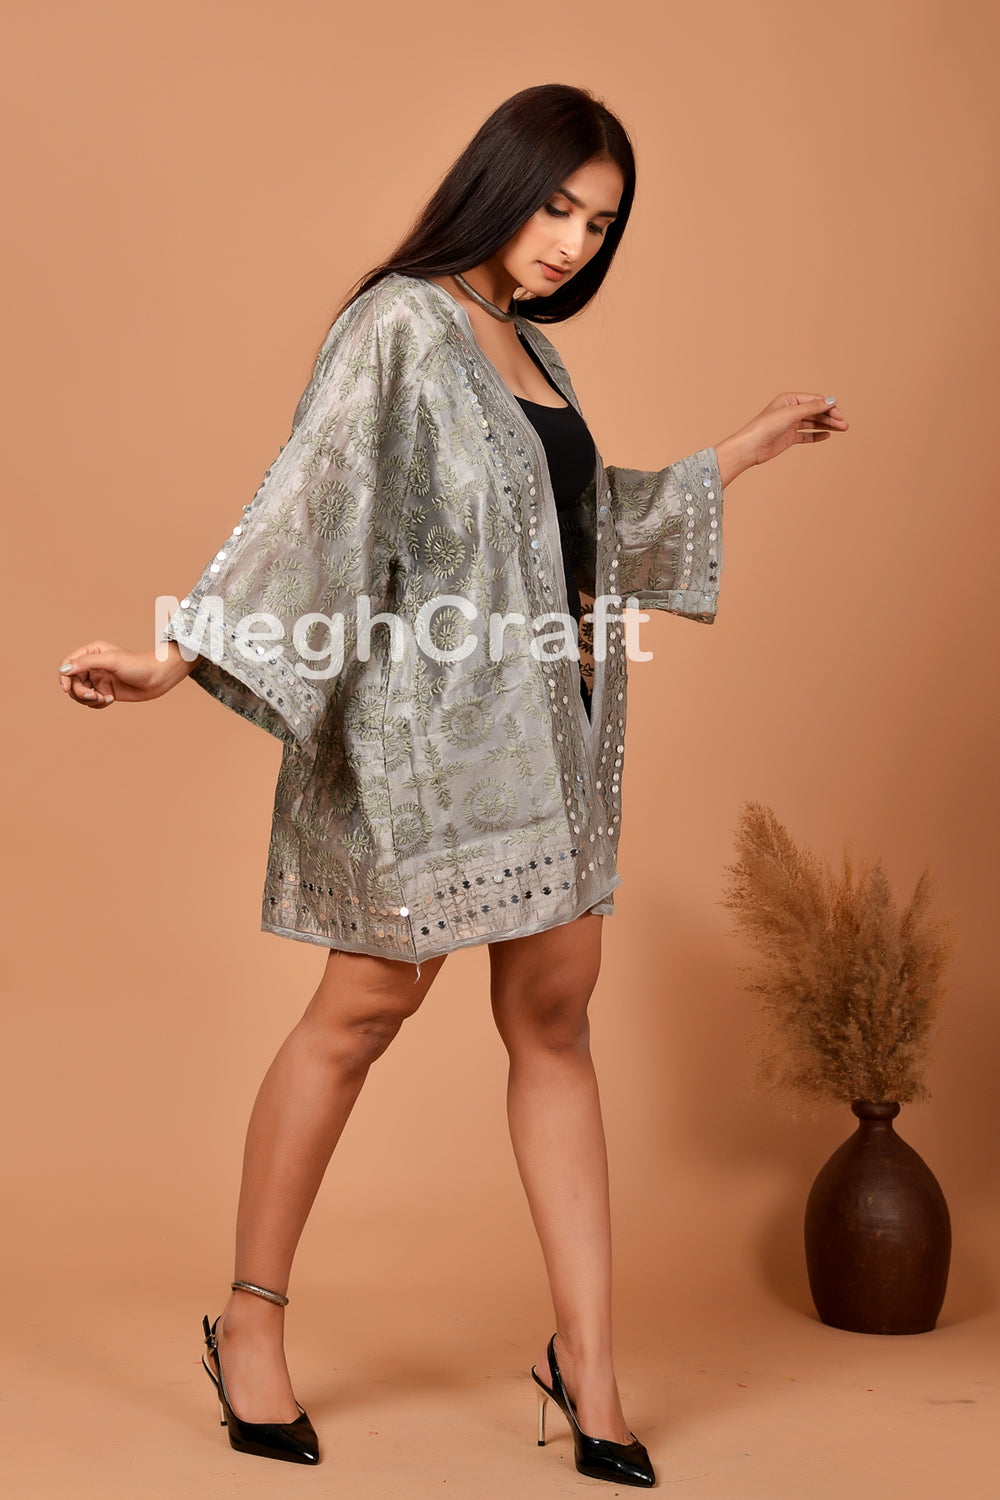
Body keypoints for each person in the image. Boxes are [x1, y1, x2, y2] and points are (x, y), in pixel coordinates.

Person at [57, 83, 848, 1485]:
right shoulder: (400, 326)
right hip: (421, 755)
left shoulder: (535, 350)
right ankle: (251, 1323)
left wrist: (743, 452)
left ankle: (589, 1370)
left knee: (555, 1023)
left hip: (551, 748)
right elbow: (311, 504)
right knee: (360, 1013)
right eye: (558, 207)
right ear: (502, 181)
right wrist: (173, 656)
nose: (571, 244)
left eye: (599, 226)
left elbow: (576, 532)